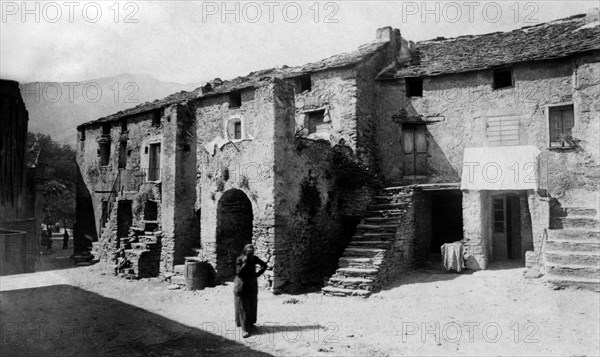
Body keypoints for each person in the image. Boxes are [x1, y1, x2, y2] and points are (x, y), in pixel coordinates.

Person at [234, 244, 267, 338]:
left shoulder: (254, 258)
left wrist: (257, 274)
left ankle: (251, 324)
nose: (250, 255)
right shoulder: (240, 259)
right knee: (243, 306)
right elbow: (238, 273)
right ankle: (244, 328)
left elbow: (264, 265)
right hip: (241, 284)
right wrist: (244, 264)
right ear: (245, 251)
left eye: (252, 253)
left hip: (251, 284)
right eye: (248, 252)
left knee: (252, 304)